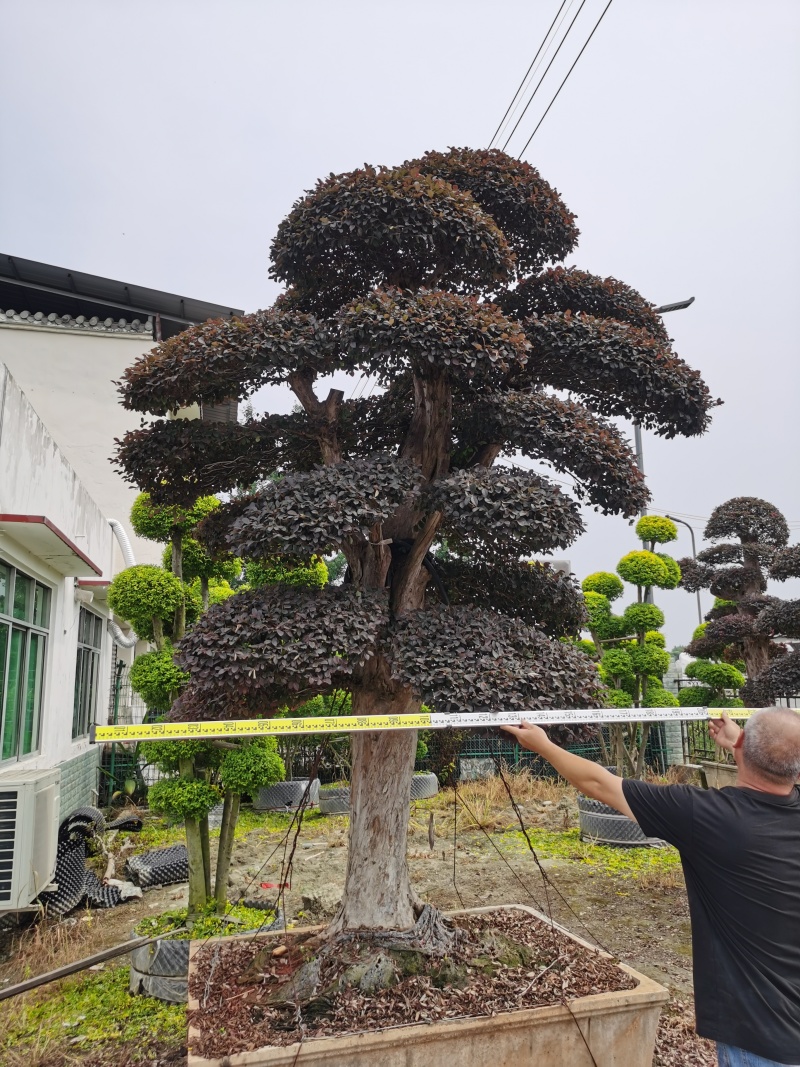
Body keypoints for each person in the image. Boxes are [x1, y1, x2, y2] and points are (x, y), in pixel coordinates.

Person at [501, 708, 800, 1067]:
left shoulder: (705, 816)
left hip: (764, 1040)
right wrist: (743, 743)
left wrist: (543, 745)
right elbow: (773, 761)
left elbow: (598, 784)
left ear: (746, 749)